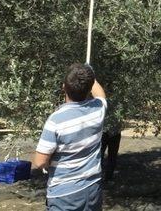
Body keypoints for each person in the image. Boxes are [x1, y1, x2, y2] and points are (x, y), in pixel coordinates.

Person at [33, 63, 107, 211]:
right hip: (92, 189)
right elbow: (101, 94)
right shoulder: (98, 110)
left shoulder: (55, 120)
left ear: (63, 87)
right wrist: (89, 73)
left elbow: (40, 162)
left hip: (64, 195)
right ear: (89, 87)